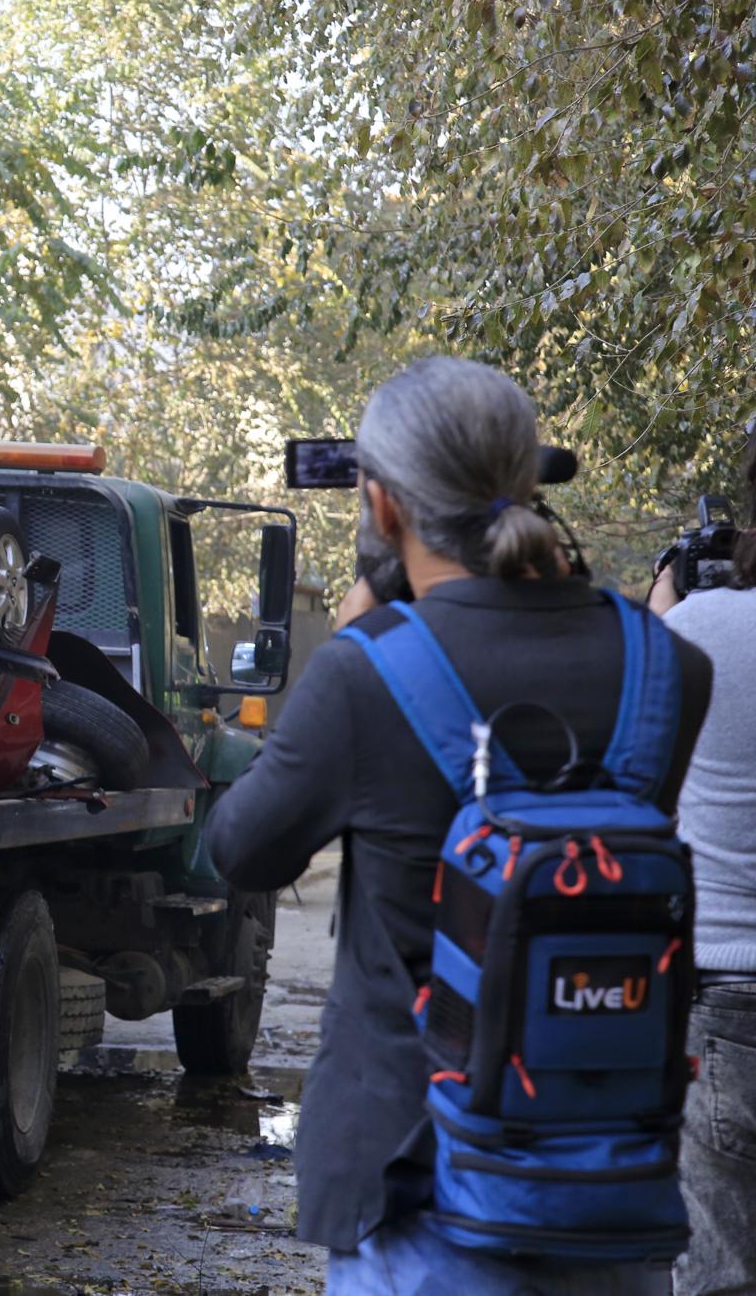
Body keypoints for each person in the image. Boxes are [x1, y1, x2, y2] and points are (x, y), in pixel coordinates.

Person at [204, 356, 711, 1292]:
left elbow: (238, 849)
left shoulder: (364, 672)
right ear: (526, 485)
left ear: (384, 507)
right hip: (610, 1186)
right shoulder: (668, 668)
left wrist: (352, 645)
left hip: (415, 1191)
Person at [649, 426, 756, 1296]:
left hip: (726, 998)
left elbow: (627, 767)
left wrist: (662, 604)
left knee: (718, 1274)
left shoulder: (698, 629)